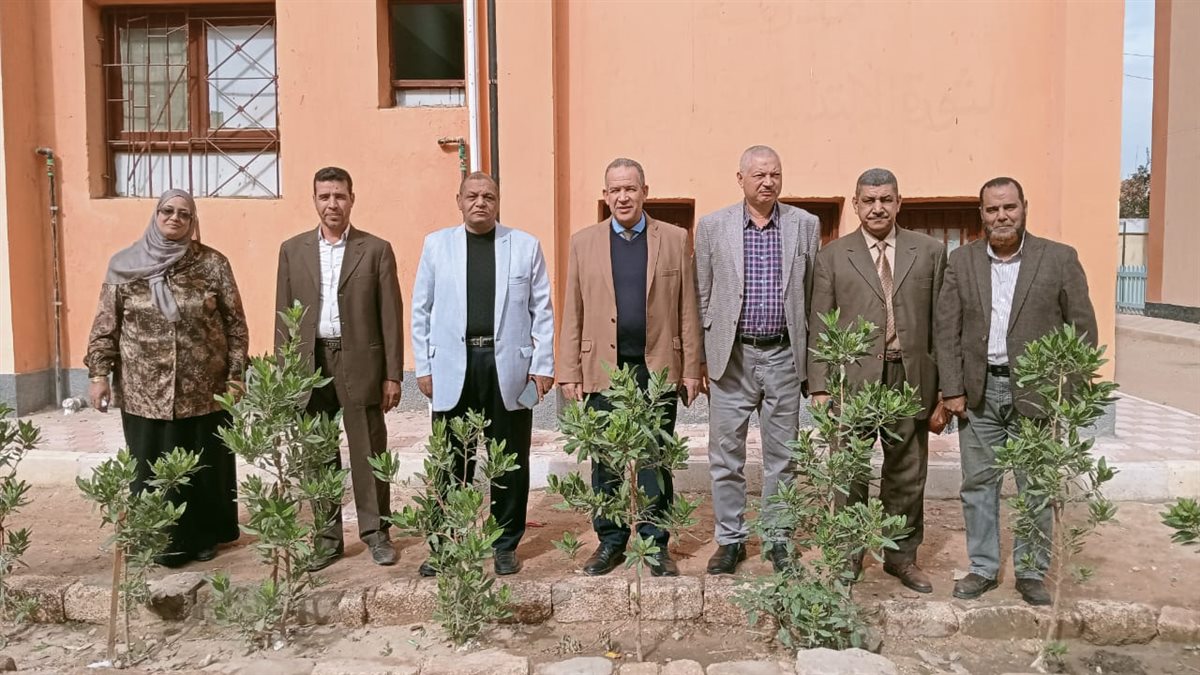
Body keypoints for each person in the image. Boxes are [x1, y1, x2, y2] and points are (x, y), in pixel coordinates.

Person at [936, 176, 1097, 606]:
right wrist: (951, 389)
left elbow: (1083, 329)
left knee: (1036, 485)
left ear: (1024, 207)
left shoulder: (1059, 259)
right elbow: (946, 329)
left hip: (1038, 392)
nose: (1001, 216)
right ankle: (983, 567)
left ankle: (1030, 571)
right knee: (978, 483)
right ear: (982, 214)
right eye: (992, 209)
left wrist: (1068, 391)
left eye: (1009, 207)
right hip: (979, 393)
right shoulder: (962, 261)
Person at [86, 189, 247, 567]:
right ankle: (158, 540)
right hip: (145, 392)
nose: (175, 218)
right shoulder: (124, 265)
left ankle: (203, 538)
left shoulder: (212, 264)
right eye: (167, 211)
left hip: (203, 391)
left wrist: (236, 377)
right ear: (155, 215)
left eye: (184, 214)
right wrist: (99, 374)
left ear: (193, 221)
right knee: (150, 467)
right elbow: (106, 326)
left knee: (202, 467)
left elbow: (236, 325)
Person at [556, 158, 702, 577]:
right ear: (606, 196)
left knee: (655, 458)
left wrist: (691, 368)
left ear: (644, 192)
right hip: (603, 370)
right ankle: (611, 541)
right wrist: (569, 370)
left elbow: (687, 308)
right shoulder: (583, 242)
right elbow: (573, 310)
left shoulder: (673, 239)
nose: (623, 197)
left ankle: (655, 544)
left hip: (657, 370)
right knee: (606, 460)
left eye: (630, 189)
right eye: (615, 190)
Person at [808, 168, 946, 593]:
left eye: (886, 199)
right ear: (855, 204)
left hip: (910, 377)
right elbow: (820, 325)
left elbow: (943, 324)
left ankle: (901, 557)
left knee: (907, 472)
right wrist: (820, 386)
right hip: (853, 381)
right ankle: (848, 555)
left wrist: (946, 387)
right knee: (849, 470)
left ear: (899, 202)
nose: (878, 208)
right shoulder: (833, 256)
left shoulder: (929, 252)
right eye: (869, 200)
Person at [411, 171, 554, 577]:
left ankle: (504, 544)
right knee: (451, 460)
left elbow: (542, 311)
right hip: (452, 366)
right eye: (472, 196)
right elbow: (421, 309)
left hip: (508, 367)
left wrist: (542, 367)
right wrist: (423, 366)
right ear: (458, 201)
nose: (480, 202)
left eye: (488, 196)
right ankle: (446, 543)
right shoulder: (437, 245)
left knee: (508, 459)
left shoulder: (524, 246)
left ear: (498, 201)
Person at [694, 145, 820, 574]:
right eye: (759, 175)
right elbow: (702, 293)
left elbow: (811, 294)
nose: (768, 182)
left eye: (775, 174)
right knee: (725, 456)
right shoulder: (713, 227)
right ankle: (730, 540)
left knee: (783, 455)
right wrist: (703, 359)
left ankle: (778, 537)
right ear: (741, 179)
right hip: (732, 357)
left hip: (784, 355)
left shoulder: (805, 225)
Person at [275, 166, 405, 570]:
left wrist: (393, 374)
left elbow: (391, 316)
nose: (332, 204)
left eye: (339, 196)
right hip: (310, 361)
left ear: (352, 199)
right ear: (314, 200)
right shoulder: (292, 250)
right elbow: (283, 315)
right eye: (325, 196)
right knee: (317, 453)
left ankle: (377, 534)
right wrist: (284, 373)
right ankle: (327, 539)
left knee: (368, 449)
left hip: (360, 362)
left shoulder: (376, 249)